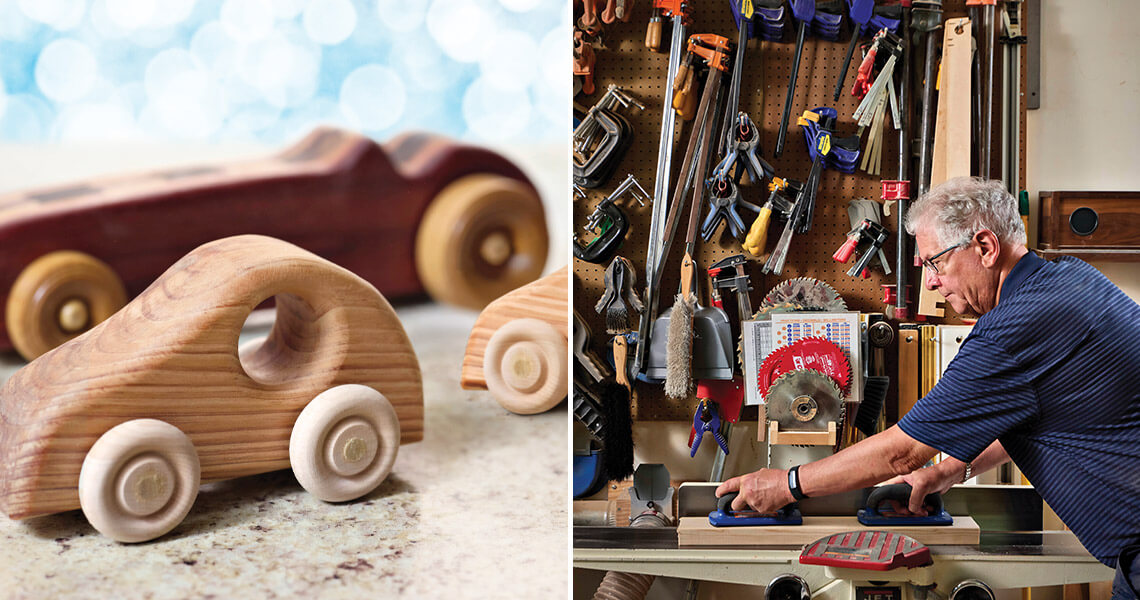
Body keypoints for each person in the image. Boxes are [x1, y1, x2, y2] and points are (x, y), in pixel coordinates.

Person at [716, 177, 1140, 596]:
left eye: (936, 263)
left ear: (986, 248)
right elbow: (1048, 409)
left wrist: (786, 485)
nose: (932, 282)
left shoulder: (1011, 331)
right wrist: (952, 468)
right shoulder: (1072, 278)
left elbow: (902, 453)